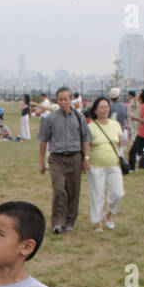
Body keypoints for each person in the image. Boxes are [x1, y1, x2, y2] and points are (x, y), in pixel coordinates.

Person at [37, 86, 89, 234]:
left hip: (75, 157)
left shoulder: (79, 117)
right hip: (56, 158)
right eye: (60, 99)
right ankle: (57, 222)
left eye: (66, 99)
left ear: (71, 99)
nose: (63, 102)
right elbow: (43, 141)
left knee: (74, 190)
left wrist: (86, 158)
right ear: (57, 100)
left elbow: (85, 139)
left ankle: (70, 222)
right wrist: (41, 162)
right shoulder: (50, 118)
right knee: (59, 190)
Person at [85, 96, 124, 232]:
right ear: (95, 110)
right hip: (96, 166)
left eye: (106, 107)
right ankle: (98, 223)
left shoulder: (115, 125)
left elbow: (121, 143)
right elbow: (87, 145)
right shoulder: (90, 126)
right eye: (101, 107)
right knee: (97, 194)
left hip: (114, 165)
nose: (104, 109)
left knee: (118, 194)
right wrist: (86, 159)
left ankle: (108, 214)